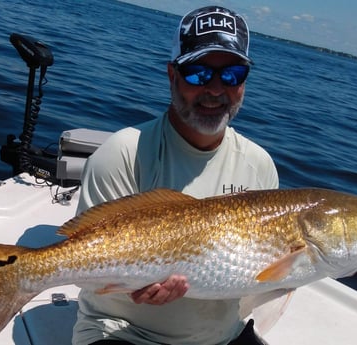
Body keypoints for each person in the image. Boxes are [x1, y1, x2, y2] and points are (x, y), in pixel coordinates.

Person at [73, 6, 278, 345]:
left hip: (222, 337)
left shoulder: (260, 166)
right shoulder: (123, 153)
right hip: (122, 332)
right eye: (198, 73)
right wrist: (134, 282)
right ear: (172, 75)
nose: (215, 89)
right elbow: (90, 272)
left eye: (232, 75)